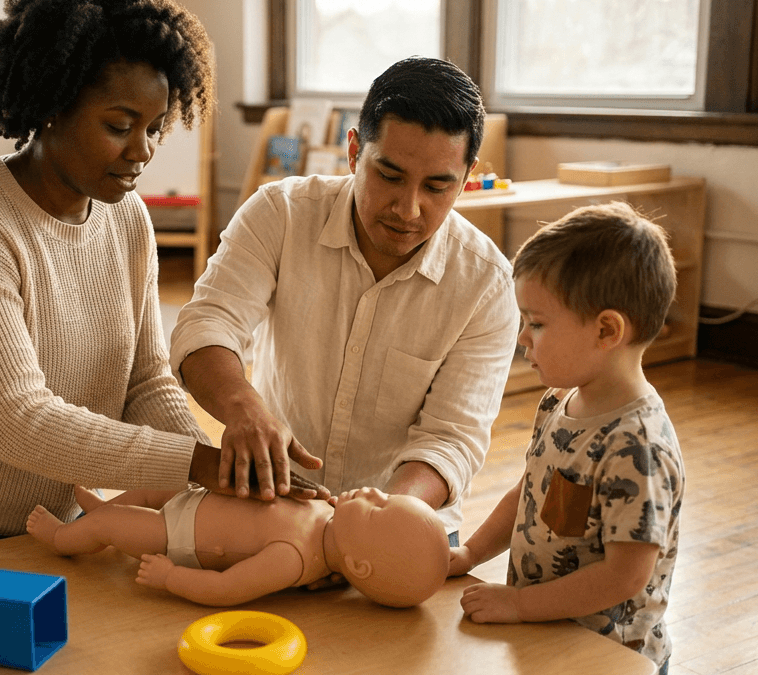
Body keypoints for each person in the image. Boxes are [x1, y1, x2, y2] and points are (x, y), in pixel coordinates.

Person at [0, 0, 323, 564]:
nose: (143, 151)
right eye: (118, 126)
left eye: (154, 128)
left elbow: (145, 381)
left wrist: (233, 470)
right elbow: (20, 422)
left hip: (58, 516)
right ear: (53, 106)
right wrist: (202, 463)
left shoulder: (126, 217)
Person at [168, 57, 519, 549]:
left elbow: (450, 439)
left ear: (467, 177)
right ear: (354, 151)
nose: (408, 208)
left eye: (437, 186)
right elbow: (206, 325)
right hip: (276, 500)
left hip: (404, 516)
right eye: (389, 175)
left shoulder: (487, 284)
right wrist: (244, 407)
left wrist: (372, 520)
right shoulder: (280, 214)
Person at [447, 202, 685, 675]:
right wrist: (469, 555)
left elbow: (625, 577)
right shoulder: (559, 401)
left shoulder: (636, 447)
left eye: (537, 323)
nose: (522, 339)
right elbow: (527, 493)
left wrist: (518, 605)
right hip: (548, 637)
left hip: (609, 664)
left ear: (606, 331)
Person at [27, 485, 449, 608]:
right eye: (386, 495)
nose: (375, 491)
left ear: (358, 565)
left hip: (177, 537)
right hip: (195, 496)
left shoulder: (292, 558)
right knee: (148, 486)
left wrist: (172, 577)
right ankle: (103, 511)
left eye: (377, 509)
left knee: (112, 526)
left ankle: (63, 538)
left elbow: (227, 589)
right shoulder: (328, 512)